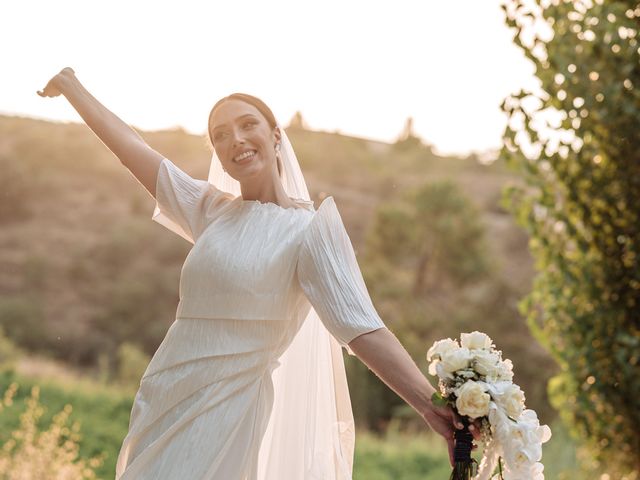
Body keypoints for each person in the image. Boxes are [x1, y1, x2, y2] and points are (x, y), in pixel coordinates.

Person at [37, 67, 480, 479]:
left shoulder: (310, 230)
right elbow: (133, 150)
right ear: (217, 155)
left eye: (248, 124)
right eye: (221, 135)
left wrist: (427, 405)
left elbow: (362, 327)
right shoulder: (209, 210)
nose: (236, 139)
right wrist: (72, 88)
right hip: (165, 395)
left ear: (275, 135)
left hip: (228, 408)